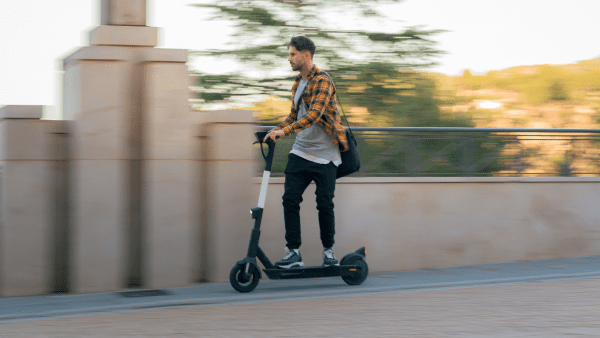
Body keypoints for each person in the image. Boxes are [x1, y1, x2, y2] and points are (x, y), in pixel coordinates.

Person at [263, 36, 348, 269]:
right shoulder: (296, 83)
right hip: (300, 151)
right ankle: (293, 253)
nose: (289, 58)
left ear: (306, 56)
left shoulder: (323, 81)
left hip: (325, 155)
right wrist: (276, 130)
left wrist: (286, 131)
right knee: (289, 200)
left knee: (324, 204)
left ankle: (329, 252)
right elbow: (294, 116)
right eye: (289, 54)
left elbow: (314, 116)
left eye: (292, 54)